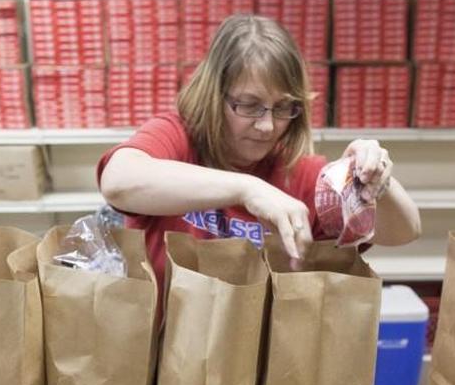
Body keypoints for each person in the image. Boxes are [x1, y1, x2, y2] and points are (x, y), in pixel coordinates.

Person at [97, 14, 420, 281]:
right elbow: (118, 181)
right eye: (249, 106)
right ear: (214, 95)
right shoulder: (178, 137)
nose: (267, 126)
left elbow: (404, 232)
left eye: (282, 108)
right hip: (167, 351)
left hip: (260, 355)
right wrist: (247, 190)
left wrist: (379, 182)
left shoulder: (299, 173)